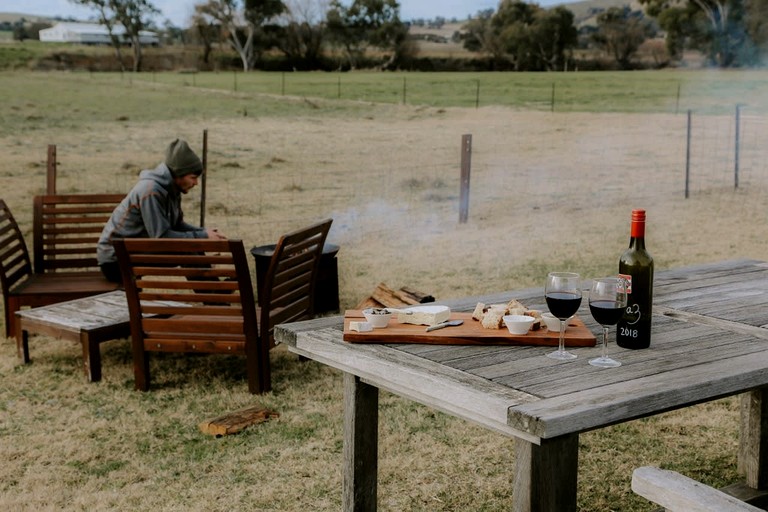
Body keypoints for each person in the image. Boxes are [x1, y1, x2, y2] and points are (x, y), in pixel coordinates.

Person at [97, 138, 226, 283]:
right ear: (178, 174)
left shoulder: (172, 188)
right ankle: (217, 297)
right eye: (193, 177)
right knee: (187, 249)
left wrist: (206, 233)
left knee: (191, 247)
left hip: (134, 251)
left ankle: (216, 293)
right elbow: (162, 236)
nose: (196, 183)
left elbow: (177, 225)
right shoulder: (151, 191)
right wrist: (202, 236)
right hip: (117, 262)